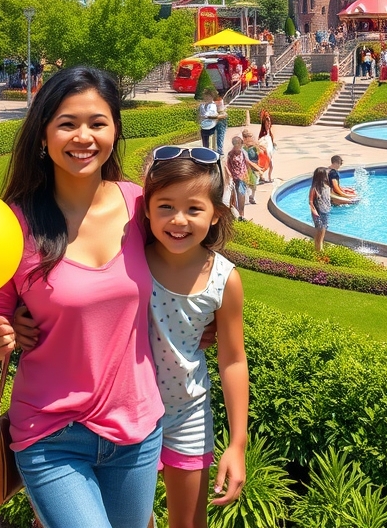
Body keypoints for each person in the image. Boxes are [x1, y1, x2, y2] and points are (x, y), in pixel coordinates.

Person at [0, 67, 164, 528]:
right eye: (67, 123)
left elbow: (185, 280)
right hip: (50, 433)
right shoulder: (13, 225)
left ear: (115, 129)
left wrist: (204, 321)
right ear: (43, 135)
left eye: (98, 122)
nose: (84, 136)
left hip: (137, 428)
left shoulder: (142, 208)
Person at [143, 147, 248, 527]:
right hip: (128, 411)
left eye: (194, 208)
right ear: (146, 208)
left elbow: (233, 359)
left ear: (217, 213)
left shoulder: (224, 279)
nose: (178, 220)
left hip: (187, 415)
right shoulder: (131, 258)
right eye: (166, 206)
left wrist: (237, 444)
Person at [307, 166, 332, 254]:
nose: (327, 175)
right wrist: (314, 212)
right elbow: (310, 201)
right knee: (319, 230)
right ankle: (318, 248)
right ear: (322, 176)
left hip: (325, 211)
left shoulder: (326, 186)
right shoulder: (314, 188)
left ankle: (320, 246)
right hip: (318, 211)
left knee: (324, 228)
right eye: (326, 174)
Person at [225, 136, 248, 221]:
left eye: (238, 144)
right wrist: (229, 175)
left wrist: (247, 174)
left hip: (242, 178)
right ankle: (237, 215)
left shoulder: (243, 153)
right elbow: (227, 165)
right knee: (233, 197)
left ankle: (242, 215)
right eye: (235, 144)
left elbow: (246, 163)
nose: (237, 146)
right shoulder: (230, 154)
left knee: (241, 196)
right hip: (234, 179)